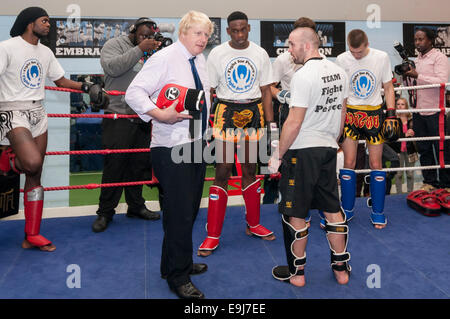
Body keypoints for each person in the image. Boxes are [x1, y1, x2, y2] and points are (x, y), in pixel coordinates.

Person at [0, 7, 108, 251]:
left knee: (35, 174)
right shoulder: (7, 47)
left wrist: (86, 86)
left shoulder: (45, 51)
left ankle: (32, 234)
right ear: (30, 23)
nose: (49, 25)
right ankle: (5, 160)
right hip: (12, 110)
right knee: (32, 162)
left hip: (38, 111)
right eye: (44, 20)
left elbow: (60, 80)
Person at [125, 10, 213, 299]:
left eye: (207, 34)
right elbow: (134, 92)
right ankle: (178, 277)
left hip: (197, 145)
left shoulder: (200, 60)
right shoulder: (163, 58)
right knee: (178, 213)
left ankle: (176, 263)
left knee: (187, 211)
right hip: (171, 148)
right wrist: (159, 114)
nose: (203, 39)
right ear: (183, 32)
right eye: (198, 33)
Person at [269, 27, 350, 287]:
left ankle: (298, 274)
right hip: (327, 148)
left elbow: (294, 121)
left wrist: (277, 155)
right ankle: (341, 269)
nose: (288, 50)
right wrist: (332, 141)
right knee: (331, 209)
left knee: (296, 212)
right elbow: (342, 114)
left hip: (302, 151)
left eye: (291, 44)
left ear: (306, 45)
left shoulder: (303, 75)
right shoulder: (339, 71)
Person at [197, 11, 275, 257]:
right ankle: (213, 234)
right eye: (235, 30)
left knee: (250, 169)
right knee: (222, 170)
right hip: (226, 111)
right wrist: (205, 125)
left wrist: (271, 126)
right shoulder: (218, 54)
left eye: (243, 29)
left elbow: (266, 91)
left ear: (249, 28)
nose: (240, 35)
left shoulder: (260, 53)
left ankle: (253, 224)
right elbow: (209, 91)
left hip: (254, 111)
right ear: (229, 31)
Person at [91, 17, 162, 233]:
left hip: (142, 115)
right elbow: (112, 68)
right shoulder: (115, 45)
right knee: (115, 165)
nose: (147, 40)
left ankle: (136, 206)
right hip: (118, 114)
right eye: (142, 36)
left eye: (149, 37)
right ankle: (105, 212)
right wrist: (140, 49)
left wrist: (153, 53)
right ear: (132, 32)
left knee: (138, 164)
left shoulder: (153, 51)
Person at [335, 29, 397, 229]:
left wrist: (392, 114)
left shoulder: (381, 57)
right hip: (351, 113)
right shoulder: (342, 59)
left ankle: (378, 212)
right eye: (353, 52)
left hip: (374, 113)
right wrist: (340, 121)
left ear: (367, 43)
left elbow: (388, 87)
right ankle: (347, 209)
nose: (356, 56)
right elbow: (342, 94)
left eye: (359, 52)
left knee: (376, 162)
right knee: (349, 161)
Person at [404, 27, 450, 192]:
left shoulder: (440, 58)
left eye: (421, 39)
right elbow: (412, 87)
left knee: (442, 149)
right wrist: (406, 78)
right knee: (424, 149)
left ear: (430, 40)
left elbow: (442, 81)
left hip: (436, 111)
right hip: (418, 111)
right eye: (416, 40)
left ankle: (446, 184)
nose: (417, 43)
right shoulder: (416, 60)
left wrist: (417, 76)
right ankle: (429, 182)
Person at [389, 98, 417, 193]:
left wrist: (413, 132)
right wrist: (404, 135)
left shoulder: (412, 120)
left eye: (402, 104)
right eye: (398, 104)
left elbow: (418, 134)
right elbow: (391, 136)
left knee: (410, 174)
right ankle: (399, 194)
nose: (400, 106)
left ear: (406, 106)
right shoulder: (394, 120)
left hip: (410, 150)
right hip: (398, 151)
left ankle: (410, 193)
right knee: (398, 174)